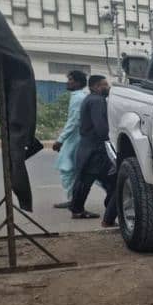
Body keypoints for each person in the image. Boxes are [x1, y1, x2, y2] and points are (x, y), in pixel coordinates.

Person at [70, 75, 117, 227]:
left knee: (85, 180)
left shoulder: (89, 99)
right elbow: (101, 127)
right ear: (96, 86)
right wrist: (110, 139)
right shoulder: (97, 101)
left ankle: (77, 209)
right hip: (96, 150)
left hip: (87, 147)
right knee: (113, 182)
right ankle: (108, 214)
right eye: (105, 85)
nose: (108, 87)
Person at [52, 71, 87, 209]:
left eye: (71, 80)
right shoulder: (78, 96)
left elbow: (74, 121)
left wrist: (60, 139)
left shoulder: (78, 98)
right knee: (73, 170)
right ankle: (73, 199)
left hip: (75, 139)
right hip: (76, 138)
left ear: (78, 83)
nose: (68, 82)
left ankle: (73, 200)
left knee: (67, 169)